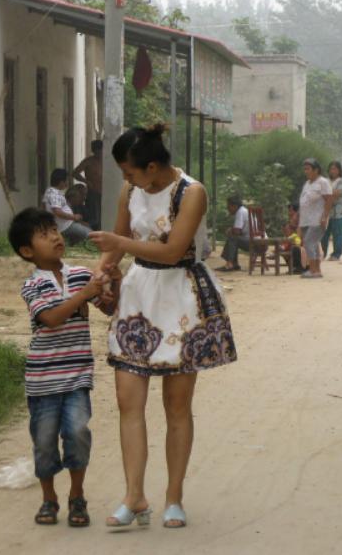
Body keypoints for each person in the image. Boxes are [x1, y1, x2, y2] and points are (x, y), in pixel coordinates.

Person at [87, 124, 238, 530]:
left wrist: (119, 248)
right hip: (138, 296)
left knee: (176, 406)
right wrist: (100, 273)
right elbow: (116, 244)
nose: (127, 181)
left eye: (131, 173)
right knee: (127, 402)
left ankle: (174, 497)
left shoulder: (192, 192)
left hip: (180, 298)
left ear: (152, 167)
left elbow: (173, 251)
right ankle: (134, 495)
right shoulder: (130, 192)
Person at [7, 207, 119, 528]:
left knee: (77, 434)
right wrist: (85, 294)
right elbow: (52, 319)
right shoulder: (32, 286)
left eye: (55, 231)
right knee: (44, 443)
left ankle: (77, 496)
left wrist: (113, 282)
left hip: (77, 378)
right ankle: (48, 498)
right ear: (27, 251)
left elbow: (109, 308)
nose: (56, 237)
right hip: (42, 382)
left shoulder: (82, 274)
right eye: (44, 235)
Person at [299, 158, 333, 279]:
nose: (306, 171)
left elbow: (329, 200)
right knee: (313, 243)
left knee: (309, 242)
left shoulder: (322, 182)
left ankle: (313, 270)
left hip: (317, 219)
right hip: (306, 220)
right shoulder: (307, 184)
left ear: (316, 170)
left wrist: (324, 217)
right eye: (305, 169)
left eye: (308, 169)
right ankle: (317, 270)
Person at [43, 169, 92, 246]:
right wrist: (73, 217)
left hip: (63, 224)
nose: (67, 183)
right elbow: (57, 211)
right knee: (89, 233)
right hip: (66, 225)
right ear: (61, 182)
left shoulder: (49, 191)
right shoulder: (55, 194)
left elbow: (44, 206)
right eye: (66, 181)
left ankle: (71, 243)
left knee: (81, 233)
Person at [321, 160, 342, 261]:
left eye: (335, 169)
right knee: (323, 234)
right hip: (326, 212)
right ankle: (322, 253)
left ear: (339, 170)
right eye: (331, 169)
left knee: (338, 234)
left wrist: (327, 194)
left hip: (339, 212)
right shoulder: (326, 181)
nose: (333, 171)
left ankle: (336, 254)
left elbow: (337, 193)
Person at [73, 140, 103, 230]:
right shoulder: (88, 161)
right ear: (93, 151)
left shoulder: (107, 161)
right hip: (93, 192)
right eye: (97, 152)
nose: (99, 154)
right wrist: (86, 181)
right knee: (94, 217)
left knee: (104, 215)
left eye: (100, 151)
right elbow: (75, 173)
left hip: (105, 193)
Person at [217, 195, 250, 271]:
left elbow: (237, 231)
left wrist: (230, 230)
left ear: (234, 206)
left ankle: (230, 264)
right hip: (258, 241)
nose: (228, 209)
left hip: (255, 243)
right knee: (233, 237)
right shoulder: (244, 210)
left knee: (232, 237)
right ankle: (233, 263)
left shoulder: (240, 212)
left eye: (228, 206)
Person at [281, 202, 303, 274]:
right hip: (294, 240)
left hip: (300, 242)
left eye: (291, 211)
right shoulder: (292, 220)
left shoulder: (299, 218)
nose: (289, 213)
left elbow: (299, 235)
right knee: (283, 247)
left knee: (293, 248)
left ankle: (297, 267)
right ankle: (292, 266)